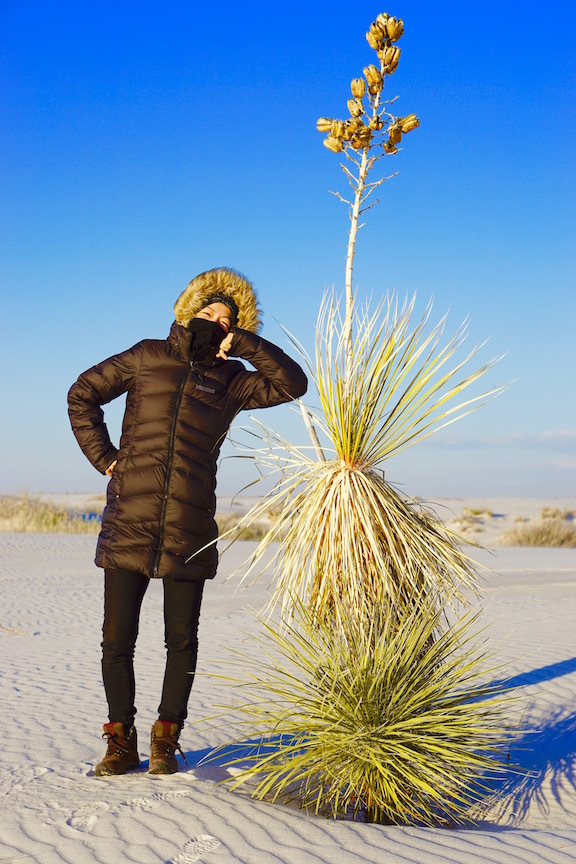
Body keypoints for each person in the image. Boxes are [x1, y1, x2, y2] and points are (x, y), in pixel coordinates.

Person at [67, 267, 307, 776]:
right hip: (131, 515)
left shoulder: (232, 381)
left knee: (182, 639)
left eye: (227, 319)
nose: (216, 321)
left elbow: (293, 384)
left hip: (189, 524)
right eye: (208, 313)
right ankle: (119, 742)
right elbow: (82, 393)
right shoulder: (148, 356)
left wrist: (241, 343)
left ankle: (164, 739)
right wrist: (106, 458)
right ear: (187, 313)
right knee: (117, 638)